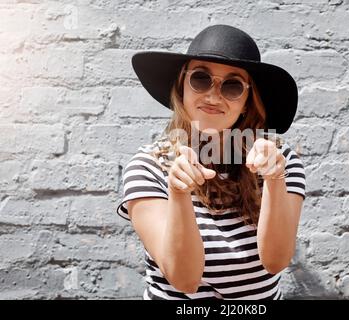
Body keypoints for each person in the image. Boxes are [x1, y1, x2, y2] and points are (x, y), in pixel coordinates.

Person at [116, 24, 306, 300]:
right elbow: (185, 280)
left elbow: (275, 261)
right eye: (201, 79)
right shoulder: (148, 167)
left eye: (232, 86)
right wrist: (179, 194)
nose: (213, 96)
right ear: (182, 85)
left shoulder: (280, 161)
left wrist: (274, 181)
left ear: (247, 101)